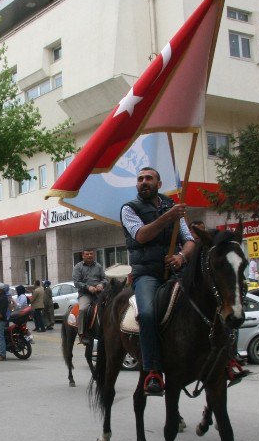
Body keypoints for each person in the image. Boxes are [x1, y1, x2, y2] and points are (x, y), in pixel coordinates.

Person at [120, 166, 195, 396]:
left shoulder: (172, 207)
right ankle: (152, 370)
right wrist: (168, 217)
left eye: (149, 178)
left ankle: (225, 359)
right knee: (148, 313)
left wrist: (181, 257)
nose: (144, 182)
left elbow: (189, 240)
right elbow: (141, 235)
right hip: (147, 275)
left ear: (159, 184)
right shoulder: (129, 209)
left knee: (210, 299)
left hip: (175, 272)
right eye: (140, 179)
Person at [72, 249, 106, 345]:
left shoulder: (98, 266)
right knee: (83, 309)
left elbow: (104, 279)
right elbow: (76, 282)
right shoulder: (78, 267)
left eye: (91, 253)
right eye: (87, 254)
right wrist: (88, 287)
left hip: (99, 293)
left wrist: (101, 285)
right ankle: (82, 334)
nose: (89, 255)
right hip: (85, 294)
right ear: (83, 255)